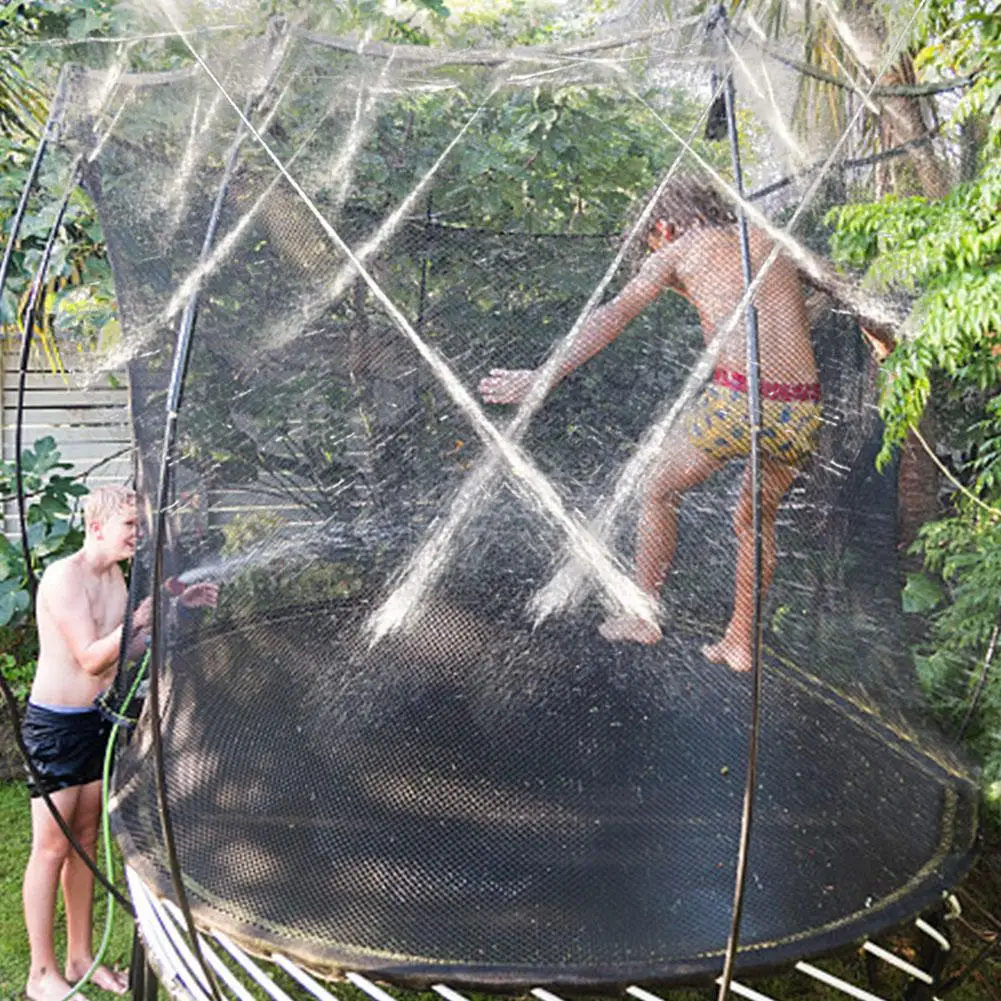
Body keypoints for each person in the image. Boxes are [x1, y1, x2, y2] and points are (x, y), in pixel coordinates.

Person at [479, 176, 820, 673]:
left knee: (658, 489)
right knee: (755, 520)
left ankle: (643, 616)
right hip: (800, 407)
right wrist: (880, 337)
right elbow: (832, 285)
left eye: (651, 239)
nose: (652, 248)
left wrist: (541, 377)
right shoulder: (771, 239)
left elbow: (612, 315)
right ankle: (740, 642)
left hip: (738, 399)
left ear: (665, 225)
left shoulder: (678, 249)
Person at [22, 485, 217, 1001]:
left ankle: (81, 957)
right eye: (130, 526)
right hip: (56, 727)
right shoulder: (65, 578)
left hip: (97, 720)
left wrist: (174, 613)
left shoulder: (116, 578)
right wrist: (143, 615)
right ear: (97, 526)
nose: (139, 534)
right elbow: (88, 657)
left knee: (84, 841)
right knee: (50, 847)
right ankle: (41, 975)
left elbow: (122, 653)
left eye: (140, 525)